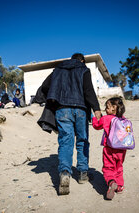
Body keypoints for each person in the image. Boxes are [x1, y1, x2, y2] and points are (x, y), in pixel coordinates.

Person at [41, 53, 102, 195]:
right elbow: (88, 91)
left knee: (65, 141)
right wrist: (96, 109)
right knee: (82, 140)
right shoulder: (83, 69)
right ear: (82, 60)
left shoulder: (58, 69)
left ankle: (65, 173)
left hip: (62, 110)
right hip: (80, 109)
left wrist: (51, 99)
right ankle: (82, 174)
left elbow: (45, 86)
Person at [92, 97, 128, 200]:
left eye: (107, 107)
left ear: (113, 108)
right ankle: (120, 186)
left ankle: (111, 182)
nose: (105, 109)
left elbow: (96, 126)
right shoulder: (124, 119)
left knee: (108, 167)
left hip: (109, 148)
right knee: (118, 166)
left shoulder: (106, 118)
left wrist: (95, 118)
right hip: (122, 149)